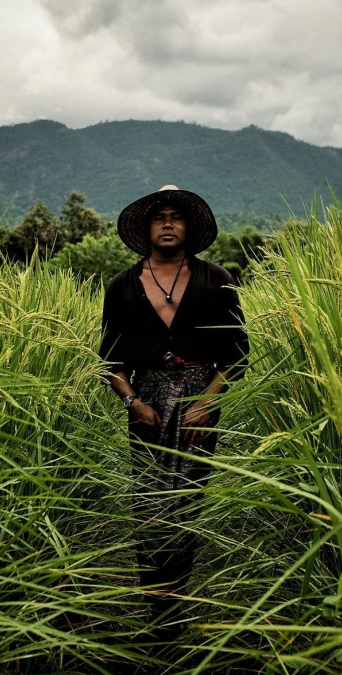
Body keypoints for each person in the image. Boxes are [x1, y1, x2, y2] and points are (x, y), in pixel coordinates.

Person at [99, 185, 249, 640]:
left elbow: (238, 356)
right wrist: (133, 402)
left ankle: (178, 600)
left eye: (176, 217)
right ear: (146, 228)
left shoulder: (216, 280)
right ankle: (154, 606)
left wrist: (207, 401)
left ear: (189, 227)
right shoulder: (122, 286)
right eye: (159, 217)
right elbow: (109, 362)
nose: (167, 223)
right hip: (145, 404)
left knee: (186, 501)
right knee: (147, 500)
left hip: (197, 407)